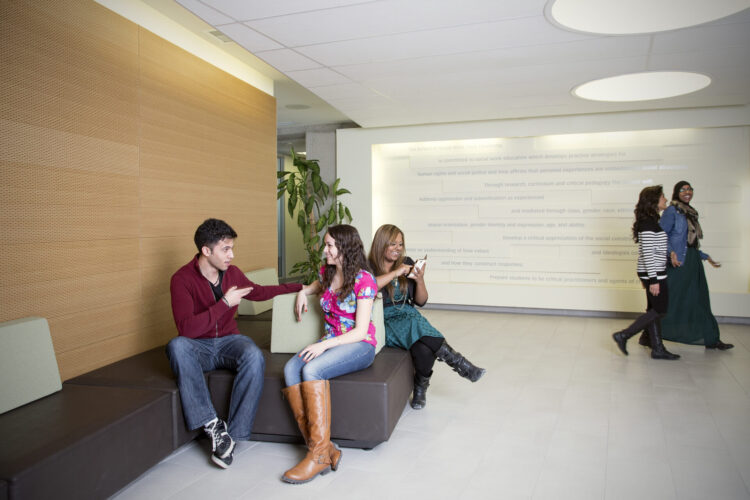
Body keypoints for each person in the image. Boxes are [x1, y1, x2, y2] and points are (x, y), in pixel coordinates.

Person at [167, 218, 305, 469]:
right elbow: (186, 329)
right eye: (225, 249)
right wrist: (224, 305)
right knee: (176, 346)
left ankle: (232, 435)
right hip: (199, 345)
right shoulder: (181, 279)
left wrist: (302, 287)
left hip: (230, 341)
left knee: (253, 354)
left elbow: (261, 292)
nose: (232, 254)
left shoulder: (233, 274)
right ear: (206, 251)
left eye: (232, 248)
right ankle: (212, 424)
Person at [281, 224, 378, 484]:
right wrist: (303, 291)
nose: (324, 250)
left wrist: (323, 345)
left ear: (345, 248)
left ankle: (319, 456)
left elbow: (359, 332)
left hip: (359, 346)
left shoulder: (364, 280)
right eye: (326, 245)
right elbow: (317, 285)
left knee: (311, 369)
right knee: (290, 369)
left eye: (329, 245)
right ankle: (323, 449)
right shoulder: (327, 271)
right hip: (331, 342)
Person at [368, 224, 485, 410]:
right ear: (381, 243)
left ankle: (421, 389)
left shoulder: (405, 261)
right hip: (386, 320)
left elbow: (421, 301)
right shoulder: (368, 267)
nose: (398, 248)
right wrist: (395, 273)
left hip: (408, 314)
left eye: (400, 244)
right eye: (393, 244)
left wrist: (420, 279)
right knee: (417, 324)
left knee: (424, 349)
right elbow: (369, 287)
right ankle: (459, 363)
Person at [638, 181, 733, 350]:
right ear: (676, 193)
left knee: (701, 300)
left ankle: (711, 339)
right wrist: (671, 253)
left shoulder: (691, 213)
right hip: (679, 263)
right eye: (683, 189)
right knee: (667, 303)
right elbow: (661, 237)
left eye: (690, 189)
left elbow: (691, 242)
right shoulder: (671, 211)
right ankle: (647, 335)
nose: (687, 192)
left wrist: (704, 256)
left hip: (693, 260)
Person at [612, 186, 680, 360]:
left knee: (654, 309)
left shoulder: (651, 220)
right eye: (662, 196)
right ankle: (624, 335)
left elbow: (655, 249)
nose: (665, 199)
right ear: (653, 200)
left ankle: (656, 347)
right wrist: (654, 280)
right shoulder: (648, 224)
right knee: (659, 309)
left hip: (654, 272)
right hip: (653, 273)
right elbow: (648, 254)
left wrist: (669, 254)